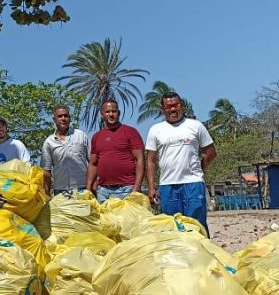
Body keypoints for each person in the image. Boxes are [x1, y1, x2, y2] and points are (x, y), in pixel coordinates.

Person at [145, 92, 217, 236]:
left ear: (181, 106)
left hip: (193, 184)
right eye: (168, 106)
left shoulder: (196, 126)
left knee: (196, 224)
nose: (172, 109)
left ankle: (203, 255)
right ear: (162, 109)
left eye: (176, 105)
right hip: (167, 186)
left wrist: (199, 169)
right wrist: (151, 187)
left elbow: (211, 153)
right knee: (172, 227)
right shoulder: (155, 130)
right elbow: (151, 160)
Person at [86, 99, 145, 203]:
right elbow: (93, 164)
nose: (111, 114)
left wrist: (137, 187)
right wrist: (88, 188)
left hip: (127, 189)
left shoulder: (131, 132)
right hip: (103, 191)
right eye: (107, 112)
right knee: (104, 219)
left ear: (119, 113)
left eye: (114, 111)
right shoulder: (96, 137)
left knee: (126, 219)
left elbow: (140, 159)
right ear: (102, 114)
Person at [41, 105, 90, 194]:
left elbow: (92, 162)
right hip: (60, 191)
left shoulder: (81, 135)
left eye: (66, 116)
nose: (63, 118)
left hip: (82, 188)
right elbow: (46, 171)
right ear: (54, 119)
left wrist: (92, 187)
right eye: (60, 116)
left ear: (70, 118)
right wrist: (46, 194)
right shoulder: (49, 142)